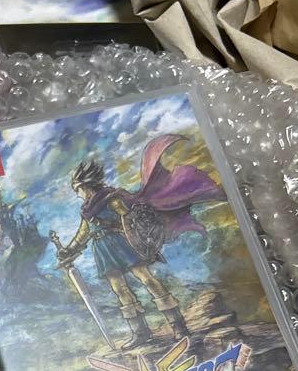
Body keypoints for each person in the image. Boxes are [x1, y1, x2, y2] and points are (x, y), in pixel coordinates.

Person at [57, 135, 225, 348]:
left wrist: (142, 241)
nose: (78, 195)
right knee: (120, 289)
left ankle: (179, 326)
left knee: (147, 280)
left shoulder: (112, 199)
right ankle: (141, 333)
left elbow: (132, 219)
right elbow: (83, 234)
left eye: (78, 190)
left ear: (86, 186)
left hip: (123, 243)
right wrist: (69, 250)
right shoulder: (86, 211)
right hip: (103, 249)